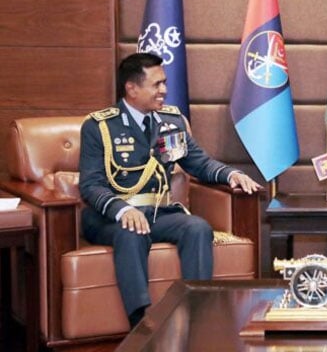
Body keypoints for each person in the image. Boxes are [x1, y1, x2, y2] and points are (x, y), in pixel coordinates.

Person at [78, 53, 262, 328]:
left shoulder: (169, 123)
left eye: (164, 83)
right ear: (132, 88)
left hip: (157, 213)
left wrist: (231, 174)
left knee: (197, 227)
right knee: (132, 232)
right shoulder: (101, 127)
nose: (164, 90)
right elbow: (91, 184)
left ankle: (196, 311)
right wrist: (123, 210)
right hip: (110, 217)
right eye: (156, 84)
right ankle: (142, 321)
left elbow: (198, 162)